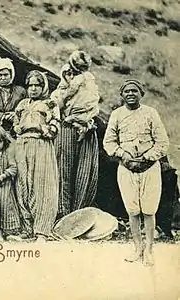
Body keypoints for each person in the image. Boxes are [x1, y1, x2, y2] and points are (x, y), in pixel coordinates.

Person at [103, 79, 169, 267]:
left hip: (149, 168)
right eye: (127, 91)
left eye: (134, 91)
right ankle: (137, 248)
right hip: (126, 168)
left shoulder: (150, 113)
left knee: (148, 210)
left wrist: (148, 157)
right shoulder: (117, 115)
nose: (131, 94)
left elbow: (162, 142)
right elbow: (109, 142)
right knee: (133, 210)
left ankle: (149, 249)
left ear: (141, 93)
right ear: (122, 95)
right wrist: (123, 154)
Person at [13, 70, 60, 242]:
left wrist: (39, 128)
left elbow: (54, 129)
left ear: (43, 87)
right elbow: (16, 126)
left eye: (37, 85)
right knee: (23, 185)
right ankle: (27, 228)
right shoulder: (22, 104)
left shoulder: (50, 104)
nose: (33, 89)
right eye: (30, 85)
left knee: (42, 187)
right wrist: (19, 128)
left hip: (41, 146)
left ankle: (42, 230)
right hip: (22, 146)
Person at [52, 51, 100, 218]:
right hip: (66, 130)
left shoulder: (89, 84)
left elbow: (91, 106)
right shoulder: (60, 90)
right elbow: (58, 104)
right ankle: (63, 212)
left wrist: (85, 121)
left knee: (83, 172)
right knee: (63, 172)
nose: (71, 75)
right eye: (68, 73)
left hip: (84, 129)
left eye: (74, 72)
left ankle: (78, 212)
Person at [0, 56, 27, 135]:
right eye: (0, 75)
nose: (3, 78)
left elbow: (26, 108)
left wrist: (15, 115)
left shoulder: (21, 91)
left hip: (15, 129)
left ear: (11, 75)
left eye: (6, 75)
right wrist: (3, 116)